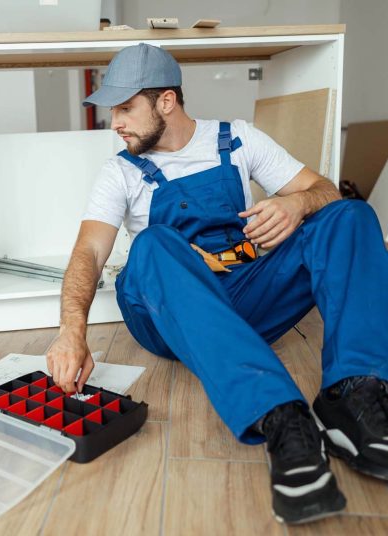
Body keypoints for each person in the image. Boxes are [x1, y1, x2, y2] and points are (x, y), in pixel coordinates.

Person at [45, 43, 388, 524]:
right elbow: (89, 252)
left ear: (166, 101)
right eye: (112, 111)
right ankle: (282, 417)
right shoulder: (119, 171)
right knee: (153, 245)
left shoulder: (238, 138)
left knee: (348, 215)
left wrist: (297, 204)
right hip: (168, 313)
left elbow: (325, 189)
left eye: (125, 108)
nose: (115, 123)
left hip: (242, 291)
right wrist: (71, 331)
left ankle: (356, 392)